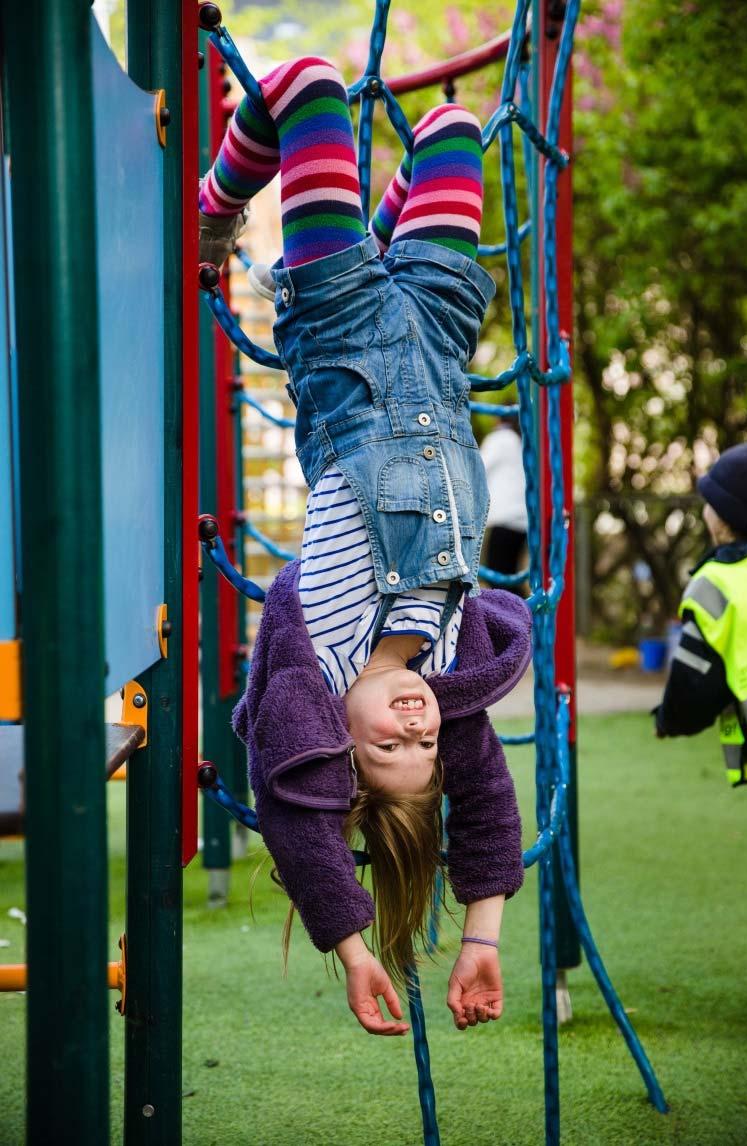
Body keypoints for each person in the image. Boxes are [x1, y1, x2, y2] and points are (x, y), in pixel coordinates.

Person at [199, 57, 532, 1036]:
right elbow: (481, 800)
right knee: (454, 130)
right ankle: (386, 224)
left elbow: (297, 813)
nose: (416, 723)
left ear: (334, 744)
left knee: (306, 85)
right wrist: (482, 935)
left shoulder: (310, 656)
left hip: (340, 340)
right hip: (438, 333)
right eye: (423, 740)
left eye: (388, 744)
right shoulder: (451, 657)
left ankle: (219, 204)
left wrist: (350, 948)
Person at [654, 440, 747, 787]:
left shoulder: (719, 583)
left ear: (726, 518)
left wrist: (668, 720)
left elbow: (693, 685)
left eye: (709, 503)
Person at [480, 414, 528, 581]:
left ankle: (518, 608)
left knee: (498, 577)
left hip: (505, 517)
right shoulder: (521, 441)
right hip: (523, 519)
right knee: (508, 574)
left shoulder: (499, 438)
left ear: (499, 418)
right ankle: (520, 607)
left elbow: (477, 468)